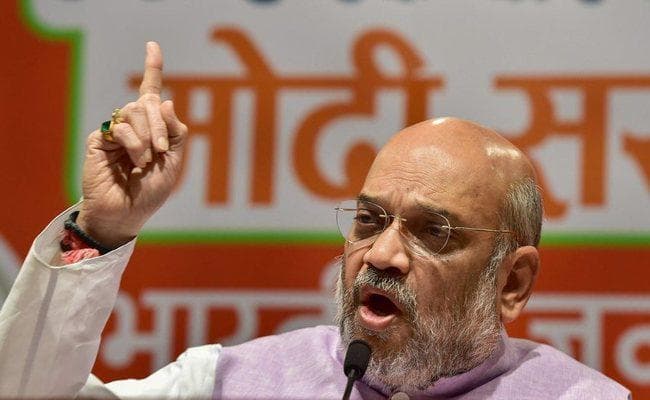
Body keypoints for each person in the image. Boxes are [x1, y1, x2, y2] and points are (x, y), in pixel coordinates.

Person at [0, 43, 630, 399]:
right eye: (369, 220)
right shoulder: (228, 385)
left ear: (511, 282)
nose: (381, 255)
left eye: (433, 232)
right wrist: (101, 229)